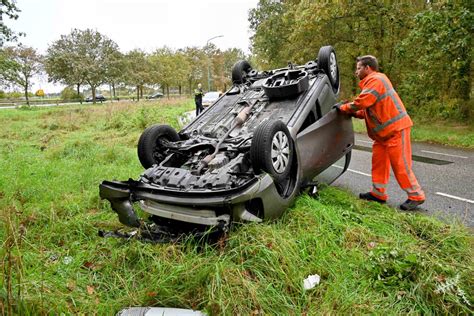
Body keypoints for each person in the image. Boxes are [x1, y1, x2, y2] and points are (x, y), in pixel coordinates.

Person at [335, 55, 425, 210]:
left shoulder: (377, 79)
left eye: (358, 68)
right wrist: (353, 113)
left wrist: (344, 108)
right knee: (378, 164)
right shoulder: (371, 84)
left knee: (401, 165)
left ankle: (416, 196)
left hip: (396, 130)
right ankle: (378, 194)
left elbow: (363, 102)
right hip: (383, 136)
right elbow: (368, 111)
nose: (356, 72)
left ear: (367, 68)